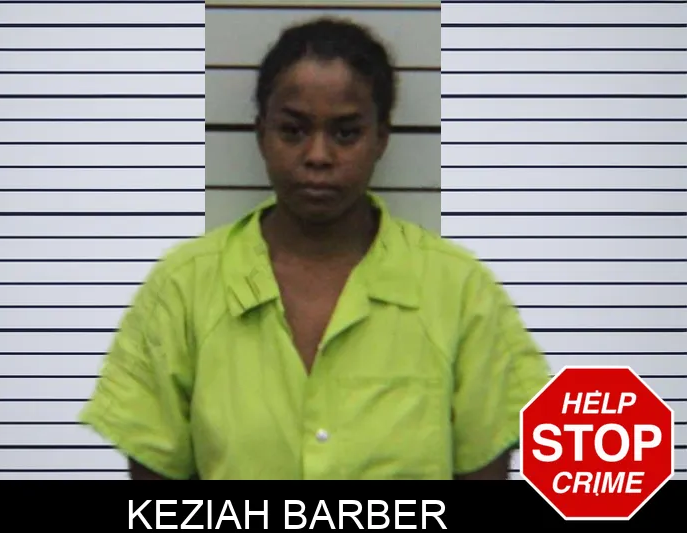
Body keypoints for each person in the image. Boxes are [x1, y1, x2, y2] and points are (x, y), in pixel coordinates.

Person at [79, 17, 551, 480]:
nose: (318, 156)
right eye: (293, 130)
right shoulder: (183, 289)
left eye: (346, 133)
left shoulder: (459, 291)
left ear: (381, 139)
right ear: (261, 134)